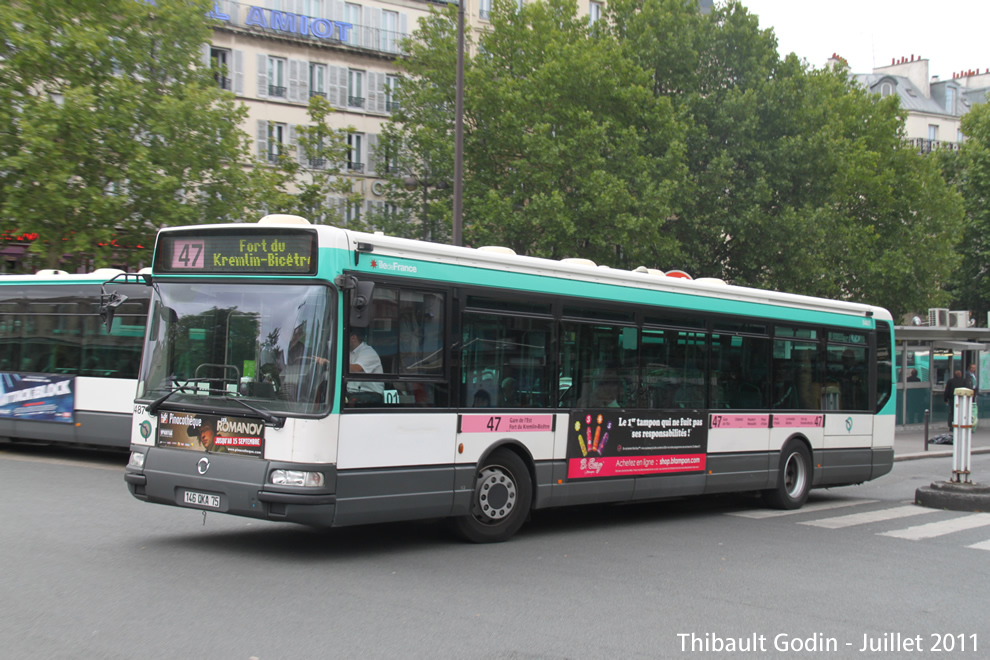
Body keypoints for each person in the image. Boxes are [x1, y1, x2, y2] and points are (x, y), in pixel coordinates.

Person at [347, 328, 384, 405]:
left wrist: (333, 363)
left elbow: (356, 369)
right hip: (353, 392)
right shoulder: (349, 352)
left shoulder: (368, 352)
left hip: (370, 394)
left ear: (353, 338)